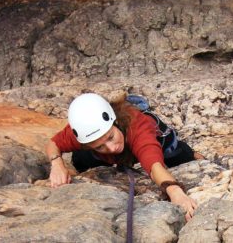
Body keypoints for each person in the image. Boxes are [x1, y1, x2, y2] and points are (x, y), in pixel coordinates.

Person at [45, 93, 203, 221]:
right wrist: (57, 163)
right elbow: (54, 144)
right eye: (100, 145)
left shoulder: (137, 126)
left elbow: (154, 166)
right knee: (81, 158)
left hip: (154, 138)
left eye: (110, 137)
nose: (112, 148)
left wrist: (174, 191)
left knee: (175, 154)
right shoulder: (84, 129)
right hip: (111, 149)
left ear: (115, 121)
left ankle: (193, 154)